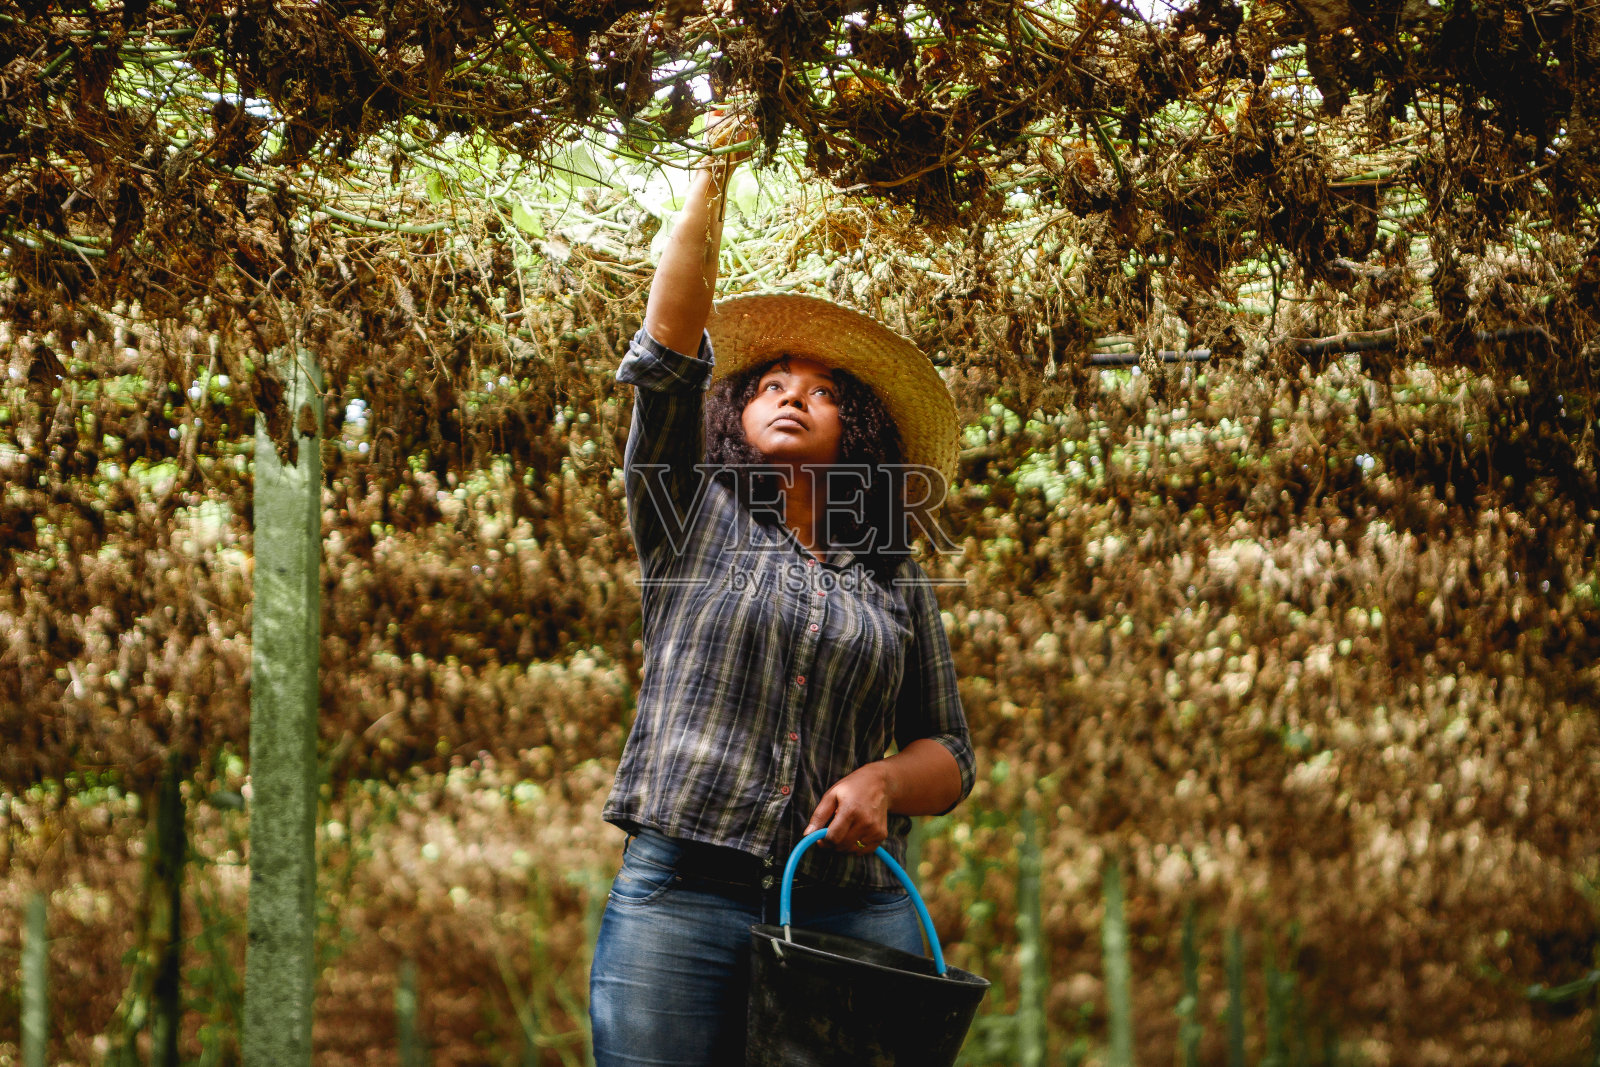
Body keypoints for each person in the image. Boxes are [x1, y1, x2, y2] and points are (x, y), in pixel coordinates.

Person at [588, 116, 976, 1067]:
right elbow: (670, 344)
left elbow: (952, 753)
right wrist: (711, 169)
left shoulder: (890, 569)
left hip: (850, 910)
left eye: (823, 388)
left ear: (861, 431)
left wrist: (883, 779)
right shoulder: (688, 513)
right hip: (682, 893)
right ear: (735, 410)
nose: (793, 393)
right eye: (769, 381)